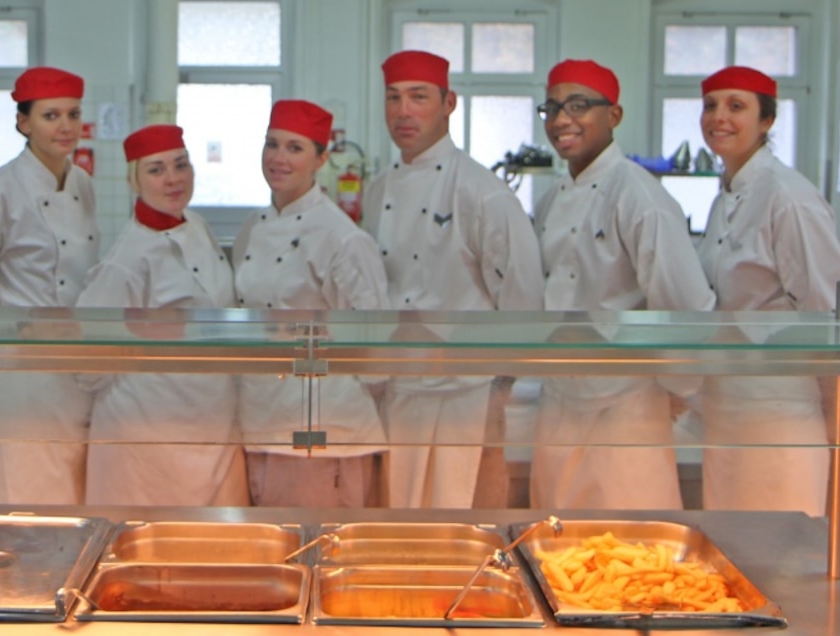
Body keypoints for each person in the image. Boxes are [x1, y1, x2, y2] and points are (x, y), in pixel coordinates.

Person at [529, 59, 715, 510]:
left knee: (628, 549)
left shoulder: (641, 197)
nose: (561, 121)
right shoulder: (552, 197)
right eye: (552, 108)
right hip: (559, 396)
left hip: (625, 403)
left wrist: (681, 392)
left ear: (614, 115)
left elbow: (684, 304)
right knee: (554, 542)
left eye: (578, 106)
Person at [363, 50, 544, 509]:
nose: (404, 111)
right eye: (394, 98)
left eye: (418, 97)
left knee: (463, 520)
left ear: (449, 103)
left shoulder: (483, 192)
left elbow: (523, 302)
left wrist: (500, 387)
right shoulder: (378, 188)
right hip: (399, 388)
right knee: (399, 520)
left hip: (466, 394)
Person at [695, 66, 840, 516]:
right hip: (725, 408)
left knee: (779, 562)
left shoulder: (788, 197)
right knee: (729, 558)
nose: (718, 117)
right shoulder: (725, 195)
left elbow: (828, 312)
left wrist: (839, 419)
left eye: (736, 106)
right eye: (710, 105)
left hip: (779, 413)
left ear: (767, 121)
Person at [0, 66, 98, 504]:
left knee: (71, 496)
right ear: (23, 123)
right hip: (17, 377)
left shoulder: (84, 186)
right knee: (17, 500)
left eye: (72, 114)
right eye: (50, 116)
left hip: (72, 368)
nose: (65, 126)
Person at [76, 124, 247, 506]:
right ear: (133, 179)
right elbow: (86, 362)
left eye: (180, 165)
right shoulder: (126, 260)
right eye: (156, 169)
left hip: (212, 418)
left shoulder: (197, 226)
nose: (173, 179)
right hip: (147, 432)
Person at [234, 99, 389, 507]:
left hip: (323, 434)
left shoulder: (343, 238)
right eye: (272, 144)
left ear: (321, 158)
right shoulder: (252, 229)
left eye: (294, 148)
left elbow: (376, 344)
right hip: (261, 420)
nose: (278, 158)